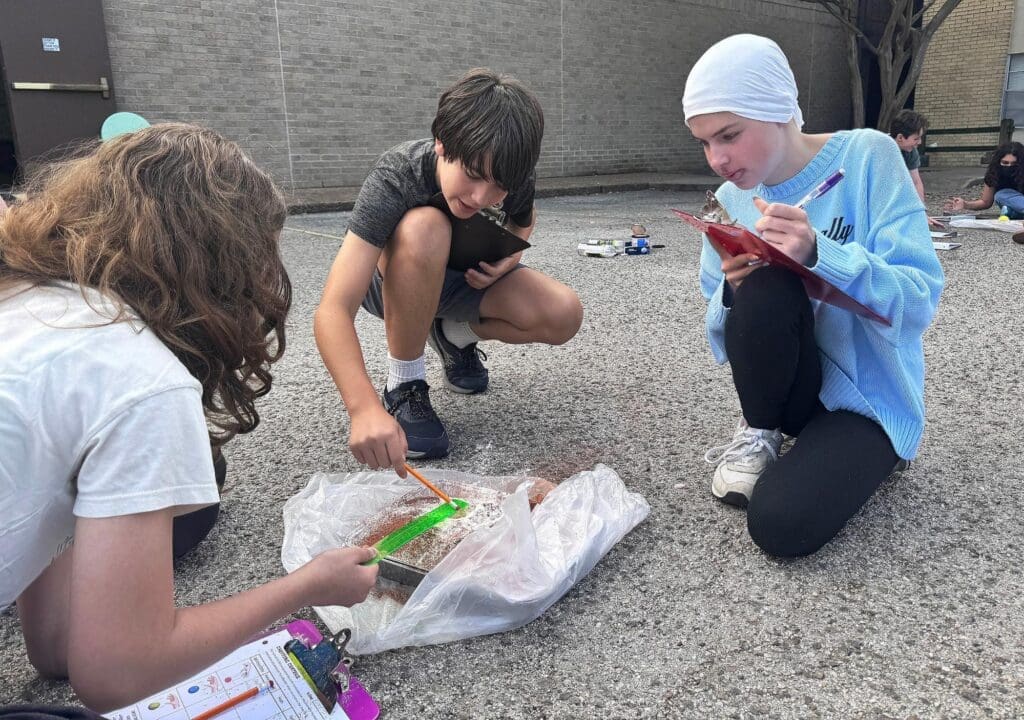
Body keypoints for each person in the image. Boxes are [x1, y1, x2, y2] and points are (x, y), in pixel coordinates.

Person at [0, 123, 378, 711]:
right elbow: (118, 676)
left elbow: (54, 648)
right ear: (222, 271)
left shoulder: (25, 290)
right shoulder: (140, 376)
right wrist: (310, 585)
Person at [681, 34, 944, 557]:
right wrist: (733, 291)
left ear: (778, 110)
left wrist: (821, 253)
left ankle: (879, 450)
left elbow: (919, 300)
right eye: (705, 142)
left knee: (780, 525)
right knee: (760, 283)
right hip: (786, 396)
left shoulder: (870, 156)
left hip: (867, 399)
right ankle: (761, 431)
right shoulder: (731, 198)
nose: (718, 157)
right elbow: (718, 330)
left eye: (729, 134)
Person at [315, 68, 583, 467]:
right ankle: (404, 384)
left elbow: (523, 218)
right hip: (388, 287)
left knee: (564, 314)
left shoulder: (510, 170)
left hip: (456, 283)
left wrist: (512, 256)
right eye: (473, 176)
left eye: (498, 187)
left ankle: (452, 335)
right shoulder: (398, 175)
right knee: (425, 226)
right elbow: (333, 309)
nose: (482, 196)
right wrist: (363, 409)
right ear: (442, 142)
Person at [944, 141, 1024, 244]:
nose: (1009, 166)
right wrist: (965, 204)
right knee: (1002, 197)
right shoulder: (994, 174)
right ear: (998, 161)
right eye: (1005, 163)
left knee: (1001, 195)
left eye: (1014, 164)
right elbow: (985, 202)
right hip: (1015, 212)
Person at [889, 109, 945, 230]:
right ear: (900, 138)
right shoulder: (881, 149)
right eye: (916, 138)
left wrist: (921, 213)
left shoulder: (910, 152)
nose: (919, 142)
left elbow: (916, 182)